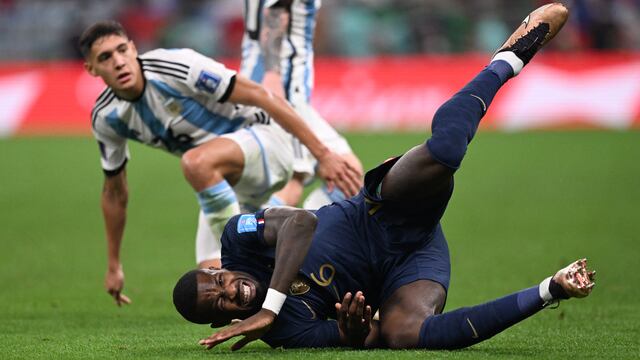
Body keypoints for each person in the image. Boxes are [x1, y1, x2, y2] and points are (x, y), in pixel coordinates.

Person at [173, 3, 593, 350]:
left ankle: (506, 60)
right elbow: (368, 335)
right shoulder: (286, 332)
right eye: (220, 304)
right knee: (401, 334)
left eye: (219, 282)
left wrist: (271, 304)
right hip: (409, 266)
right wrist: (355, 334)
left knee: (445, 152)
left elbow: (300, 221)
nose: (230, 292)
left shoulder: (237, 241)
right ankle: (550, 290)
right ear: (222, 322)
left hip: (381, 209)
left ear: (219, 270)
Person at [79, 21, 361, 306]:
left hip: (266, 135)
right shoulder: (107, 116)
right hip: (225, 177)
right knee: (213, 286)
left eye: (122, 50)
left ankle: (270, 224)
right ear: (91, 68)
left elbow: (259, 95)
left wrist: (322, 154)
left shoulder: (175, 66)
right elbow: (114, 192)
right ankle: (291, 228)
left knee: (197, 163)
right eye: (105, 57)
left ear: (133, 48)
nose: (118, 62)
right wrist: (114, 264)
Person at [192, 0, 365, 277]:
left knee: (346, 178)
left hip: (279, 92)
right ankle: (261, 256)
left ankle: (222, 259)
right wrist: (272, 76)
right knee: (297, 180)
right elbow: (274, 13)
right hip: (281, 95)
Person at [239, 0, 364, 209]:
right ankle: (252, 236)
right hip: (282, 88)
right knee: (291, 183)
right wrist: (273, 73)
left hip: (273, 84)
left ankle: (296, 235)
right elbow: (276, 11)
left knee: (348, 174)